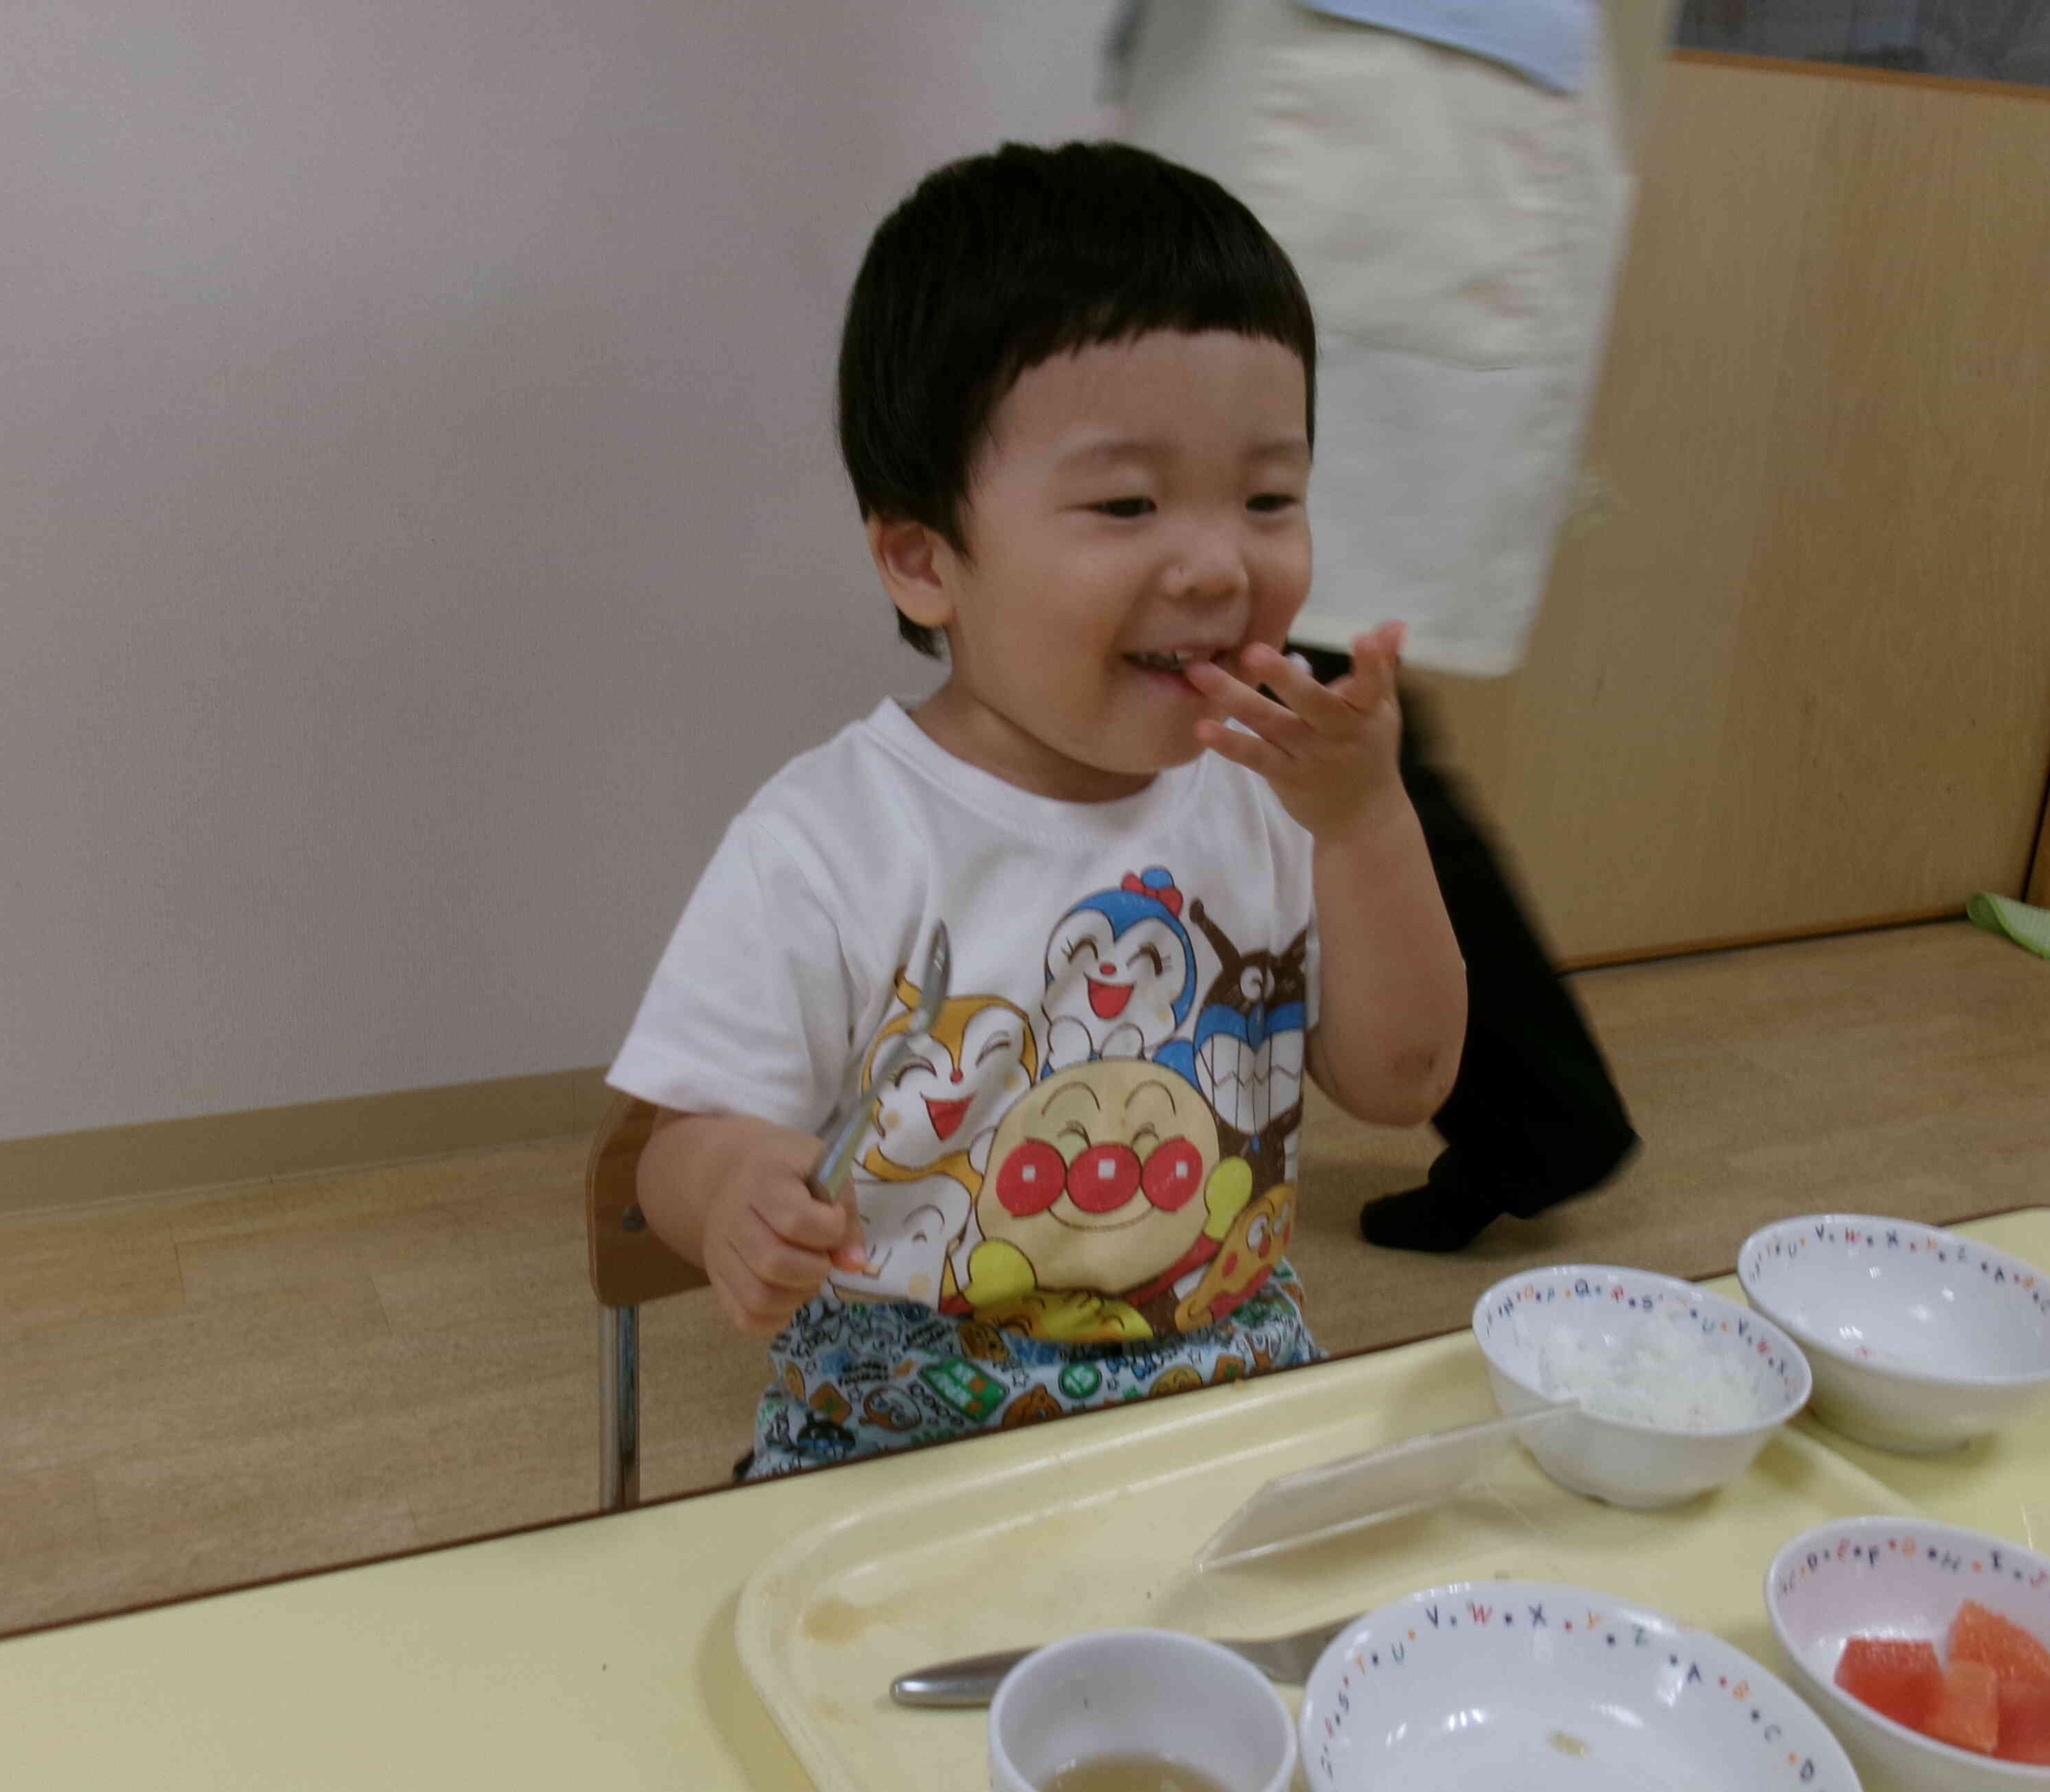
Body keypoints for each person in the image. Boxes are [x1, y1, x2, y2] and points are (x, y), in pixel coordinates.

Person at [609, 142, 1466, 1478]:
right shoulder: (831, 839)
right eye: (1127, 502)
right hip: (900, 1426)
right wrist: (729, 1192)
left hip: (1223, 1393)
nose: (1217, 563)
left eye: (1269, 498)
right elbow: (679, 1144)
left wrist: (1365, 826)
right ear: (923, 559)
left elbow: (1406, 1085)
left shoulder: (1275, 793)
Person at [1113, 0, 1651, 1251]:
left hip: (1390, 127)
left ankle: (1533, 1109)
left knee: (1292, 701)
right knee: (1285, 695)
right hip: (1368, 139)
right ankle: (1534, 1110)